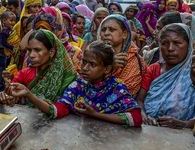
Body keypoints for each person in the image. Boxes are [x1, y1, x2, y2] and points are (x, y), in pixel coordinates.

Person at [9, 40, 142, 127]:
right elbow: (57, 110)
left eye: (92, 64)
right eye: (84, 62)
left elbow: (136, 118)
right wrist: (29, 94)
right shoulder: (78, 85)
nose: (84, 68)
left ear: (106, 69)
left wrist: (95, 115)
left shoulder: (116, 88)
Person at [137, 23, 195, 129]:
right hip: (151, 131)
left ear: (188, 45)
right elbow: (139, 100)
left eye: (177, 43)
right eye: (164, 43)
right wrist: (144, 116)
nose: (170, 48)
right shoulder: (154, 69)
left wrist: (185, 124)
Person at [0, 29, 77, 105]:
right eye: (29, 50)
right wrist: (2, 97)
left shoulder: (68, 77)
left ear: (51, 52)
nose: (31, 55)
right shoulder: (24, 73)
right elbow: (11, 96)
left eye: (37, 50)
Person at [98, 14, 146, 96]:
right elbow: (86, 84)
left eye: (112, 30)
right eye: (103, 30)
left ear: (124, 34)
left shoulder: (134, 61)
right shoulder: (94, 55)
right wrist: (108, 66)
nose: (106, 33)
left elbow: (124, 94)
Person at [0, 11, 16, 94]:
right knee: (1, 74)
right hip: (1, 55)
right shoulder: (4, 32)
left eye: (14, 20)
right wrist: (12, 47)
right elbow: (4, 43)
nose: (13, 22)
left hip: (5, 55)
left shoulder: (10, 30)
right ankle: (0, 91)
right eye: (11, 20)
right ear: (3, 21)